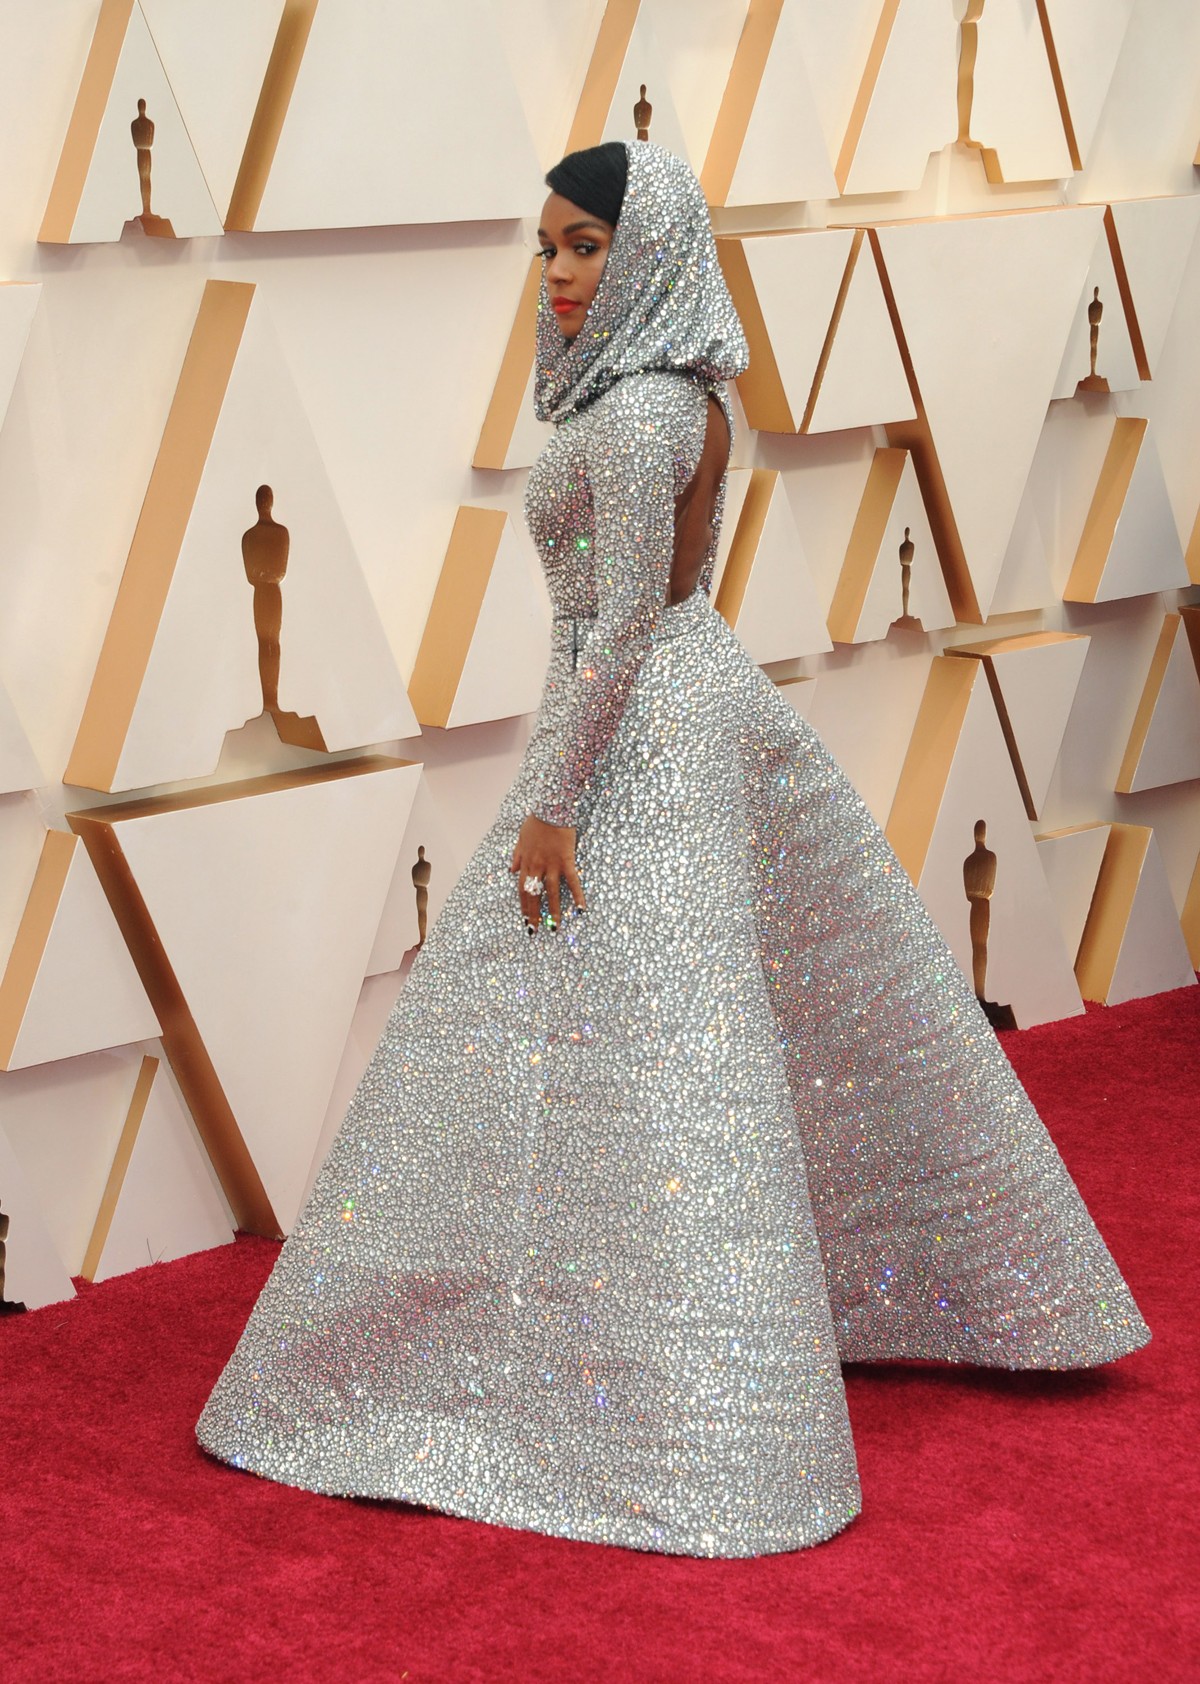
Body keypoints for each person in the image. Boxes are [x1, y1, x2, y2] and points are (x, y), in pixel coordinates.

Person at [197, 141, 1149, 1558]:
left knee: (658, 1037)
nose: (560, 272)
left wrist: (555, 798)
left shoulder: (647, 412)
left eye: (587, 245)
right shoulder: (672, 391)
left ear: (646, 249)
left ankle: (677, 1387)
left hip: (638, 725)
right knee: (663, 1033)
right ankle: (636, 1334)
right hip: (653, 708)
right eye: (549, 247)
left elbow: (628, 617)